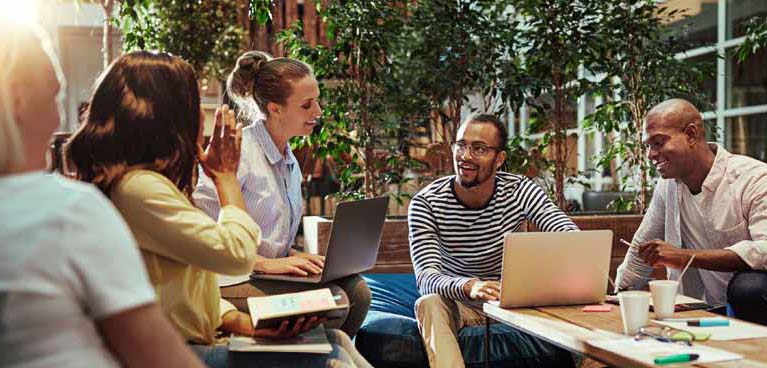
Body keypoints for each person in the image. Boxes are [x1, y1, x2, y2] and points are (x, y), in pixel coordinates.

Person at [66, 51, 371, 368]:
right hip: (184, 344)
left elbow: (195, 291)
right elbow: (234, 257)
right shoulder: (139, 189)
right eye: (194, 102)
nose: (203, 114)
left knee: (338, 338)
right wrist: (226, 178)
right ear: (168, 116)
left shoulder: (153, 185)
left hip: (209, 328)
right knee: (331, 352)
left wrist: (249, 325)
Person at [0, 22, 203, 367]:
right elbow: (159, 357)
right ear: (17, 99)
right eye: (54, 97)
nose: (56, 120)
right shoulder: (67, 210)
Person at [194, 50, 371, 337]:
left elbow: (270, 234)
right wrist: (272, 263)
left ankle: (331, 355)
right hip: (227, 280)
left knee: (358, 292)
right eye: (306, 105)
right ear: (275, 108)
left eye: (317, 101)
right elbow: (205, 240)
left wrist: (295, 257)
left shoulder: (289, 161)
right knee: (335, 303)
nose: (318, 112)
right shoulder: (238, 155)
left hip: (265, 273)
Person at [408, 113, 579, 368]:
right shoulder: (426, 203)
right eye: (461, 145)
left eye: (478, 149)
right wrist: (470, 286)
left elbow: (560, 227)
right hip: (462, 305)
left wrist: (579, 247)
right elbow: (426, 277)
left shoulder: (520, 190)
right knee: (429, 302)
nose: (465, 156)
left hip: (518, 301)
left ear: (499, 159)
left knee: (577, 295)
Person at [615, 98, 767, 325]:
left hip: (753, 303)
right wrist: (617, 296)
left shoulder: (754, 178)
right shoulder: (668, 186)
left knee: (749, 287)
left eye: (658, 143)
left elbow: (764, 250)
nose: (650, 155)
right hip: (711, 309)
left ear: (691, 134)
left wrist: (685, 257)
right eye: (648, 146)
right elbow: (642, 249)